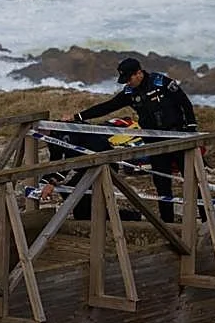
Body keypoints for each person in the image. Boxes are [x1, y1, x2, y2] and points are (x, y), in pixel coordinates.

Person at [71, 57, 198, 223]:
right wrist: (78, 117)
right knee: (162, 185)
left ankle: (205, 218)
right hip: (155, 143)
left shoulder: (161, 82)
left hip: (177, 138)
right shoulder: (130, 92)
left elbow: (185, 103)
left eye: (129, 78)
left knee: (193, 181)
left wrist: (190, 128)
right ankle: (168, 225)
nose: (128, 83)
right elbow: (107, 107)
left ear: (139, 73)